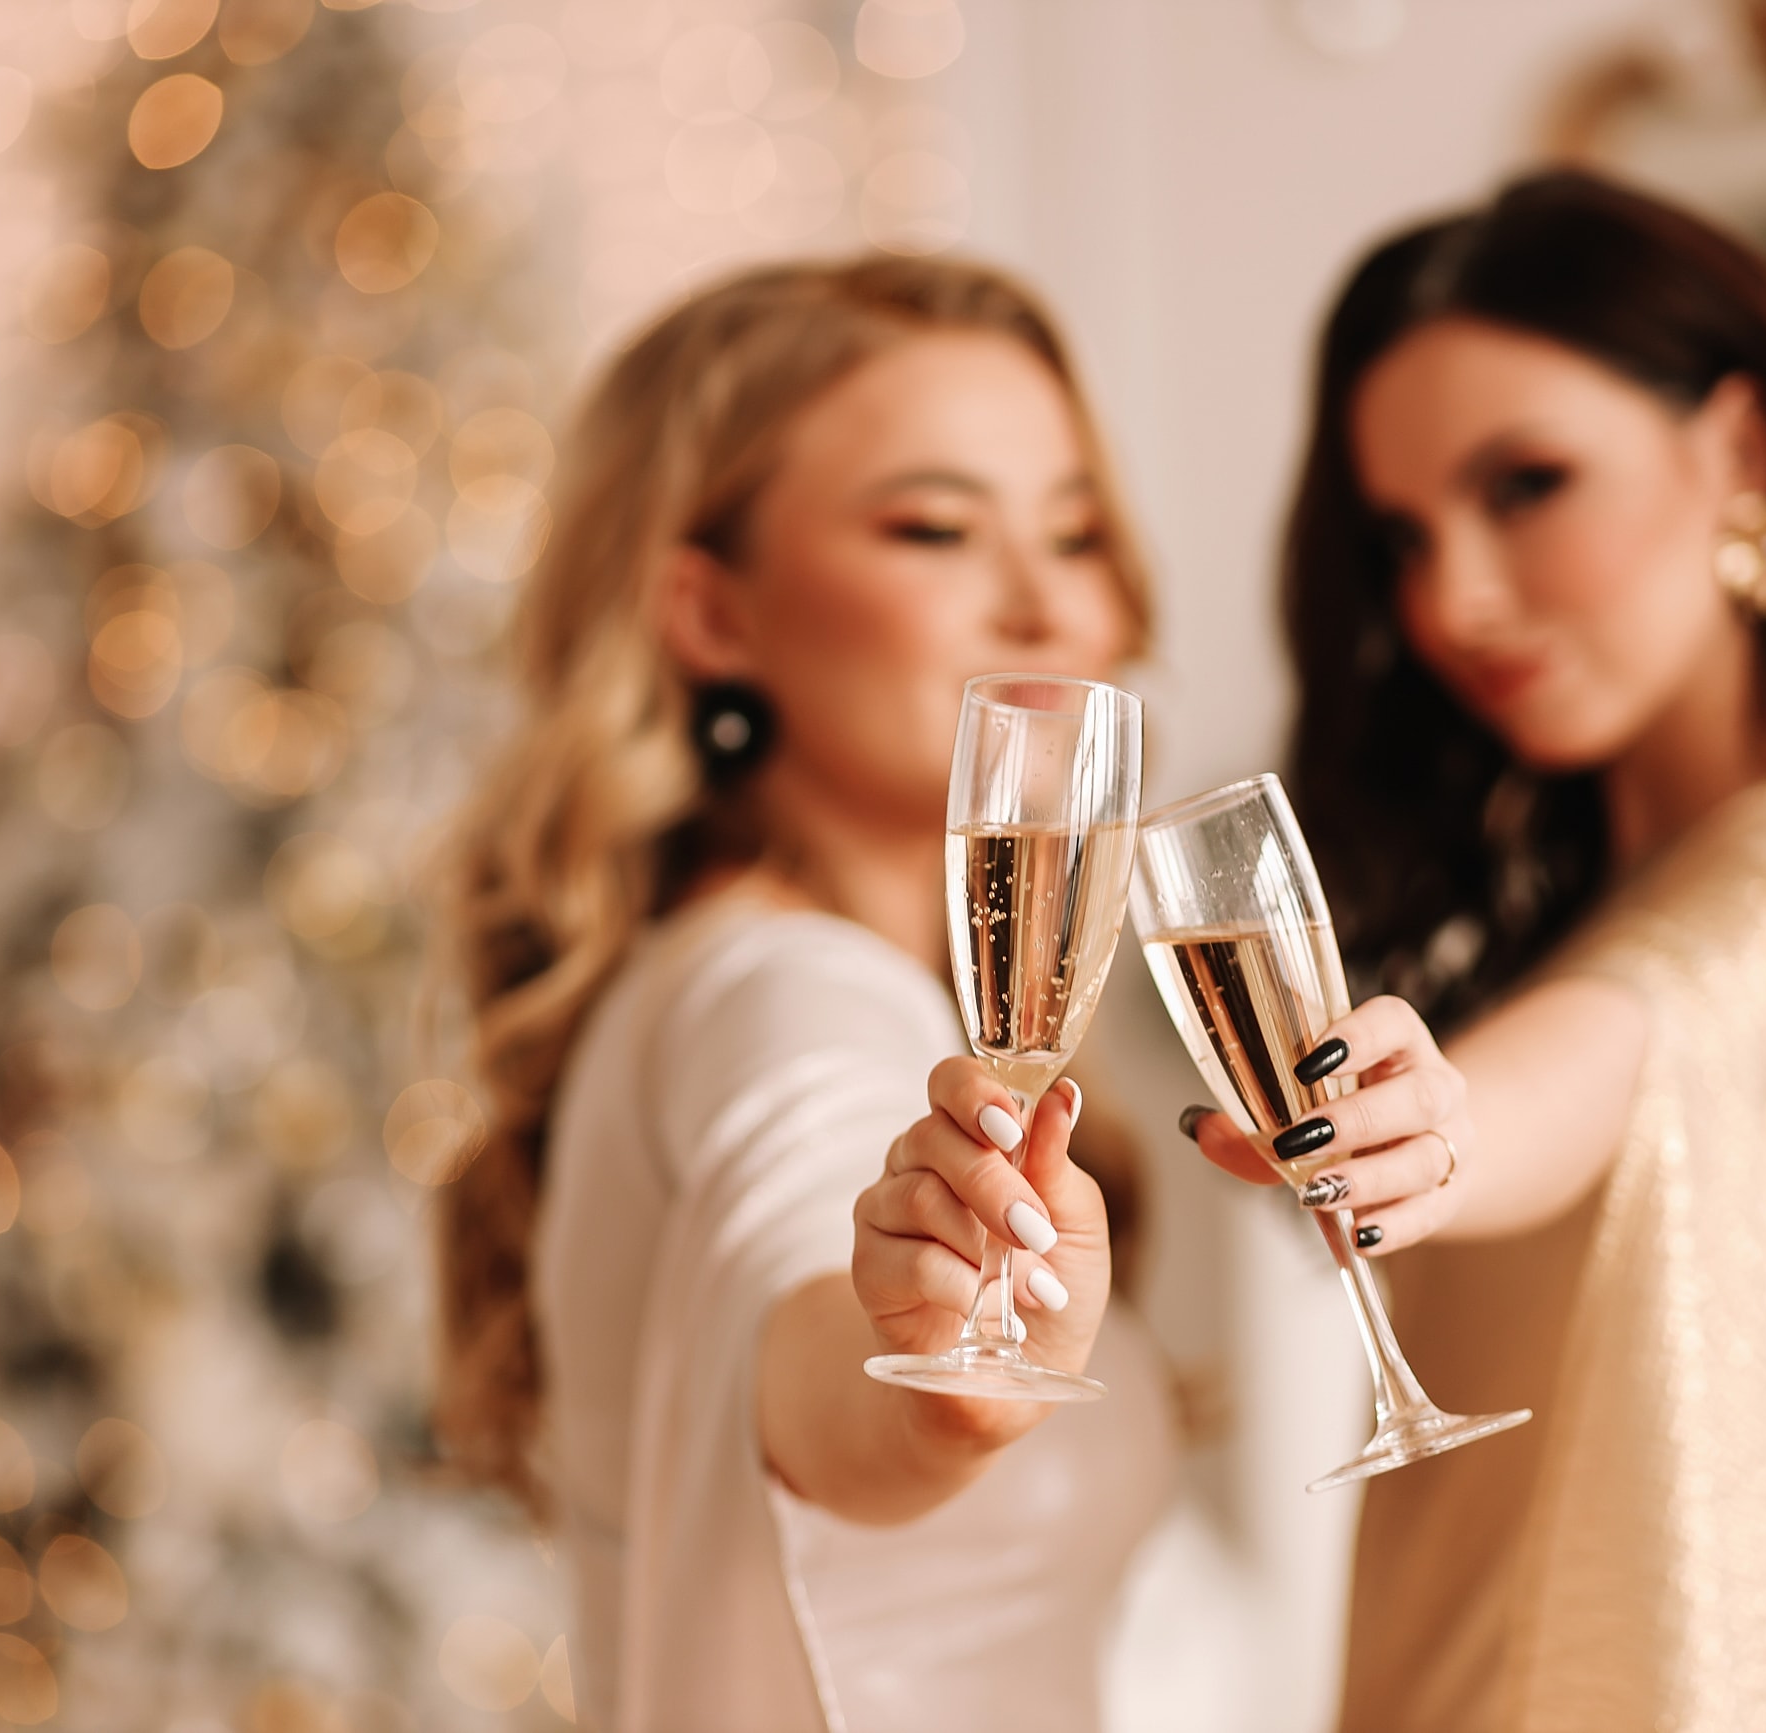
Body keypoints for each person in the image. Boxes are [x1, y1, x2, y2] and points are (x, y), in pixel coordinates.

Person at [1179, 170, 1766, 1729]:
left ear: (1741, 452)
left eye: (1527, 485)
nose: (1453, 599)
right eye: (1403, 537)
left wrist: (1446, 1122)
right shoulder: (1600, 889)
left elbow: (1648, 1028)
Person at [435, 258, 1174, 1732]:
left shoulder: (770, 976)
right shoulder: (784, 991)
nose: (1047, 606)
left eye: (1077, 533)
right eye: (935, 528)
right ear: (712, 614)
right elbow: (811, 1355)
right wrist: (941, 1384)